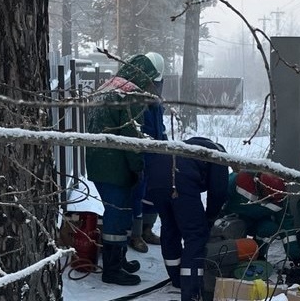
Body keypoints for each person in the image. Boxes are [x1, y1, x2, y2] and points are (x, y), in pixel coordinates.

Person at [85, 53, 160, 286]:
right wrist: (139, 167)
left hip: (98, 163)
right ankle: (112, 269)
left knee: (118, 212)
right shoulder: (130, 95)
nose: (151, 85)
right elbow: (132, 139)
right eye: (151, 80)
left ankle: (120, 259)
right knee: (117, 215)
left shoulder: (108, 87)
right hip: (115, 167)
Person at [146, 136, 229, 301]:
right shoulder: (218, 155)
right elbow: (219, 192)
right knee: (196, 235)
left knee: (170, 227)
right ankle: (192, 291)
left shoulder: (187, 146)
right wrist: (210, 218)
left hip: (155, 180)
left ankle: (176, 278)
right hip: (179, 180)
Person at [222, 170, 300, 267]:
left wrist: (295, 256)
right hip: (234, 220)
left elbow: (286, 225)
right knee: (231, 231)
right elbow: (218, 200)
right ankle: (227, 258)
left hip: (257, 222)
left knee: (269, 228)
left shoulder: (280, 198)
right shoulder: (237, 181)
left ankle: (257, 255)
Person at [129, 51, 167, 253]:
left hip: (157, 155)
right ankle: (135, 234)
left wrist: (165, 146)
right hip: (142, 154)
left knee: (154, 193)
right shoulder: (135, 102)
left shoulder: (156, 104)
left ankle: (147, 229)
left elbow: (159, 128)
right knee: (138, 193)